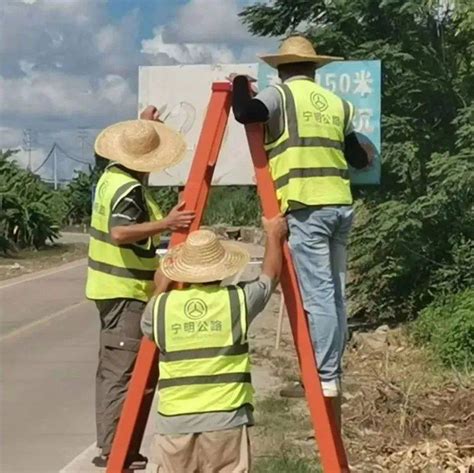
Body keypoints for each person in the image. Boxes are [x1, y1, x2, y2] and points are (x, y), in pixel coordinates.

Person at [230, 35, 372, 432]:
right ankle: (332, 371)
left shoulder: (281, 96)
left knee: (320, 296)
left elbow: (245, 113)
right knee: (337, 294)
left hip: (306, 204)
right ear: (314, 68)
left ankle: (325, 376)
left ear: (281, 68)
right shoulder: (338, 105)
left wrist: (240, 83)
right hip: (341, 204)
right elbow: (358, 156)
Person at [85, 106, 195, 468]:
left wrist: (148, 127)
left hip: (111, 289)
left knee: (113, 370)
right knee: (124, 372)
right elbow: (120, 232)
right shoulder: (128, 189)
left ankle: (116, 446)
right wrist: (167, 222)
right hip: (126, 292)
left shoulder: (111, 176)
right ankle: (117, 450)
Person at [141, 215, 287, 472]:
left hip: (175, 423)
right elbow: (270, 276)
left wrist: (163, 281)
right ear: (222, 270)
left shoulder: (160, 307)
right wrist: (273, 235)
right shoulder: (237, 300)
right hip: (225, 419)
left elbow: (149, 319)